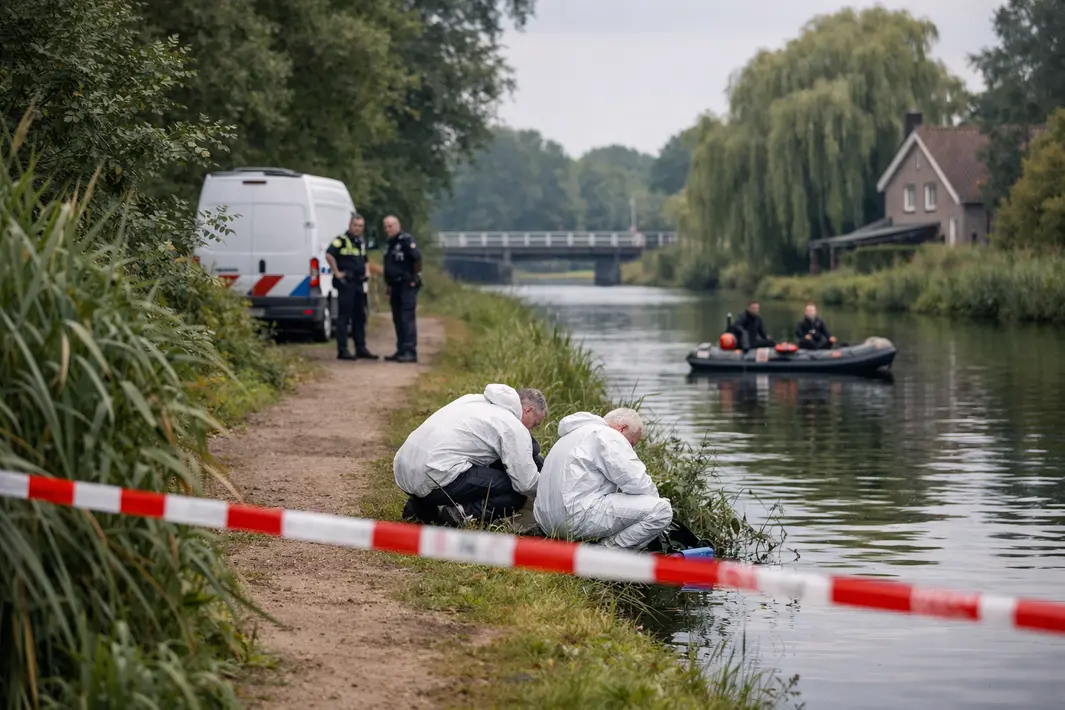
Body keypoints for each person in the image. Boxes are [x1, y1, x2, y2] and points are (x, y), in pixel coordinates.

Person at [395, 385, 547, 525]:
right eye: (535, 424)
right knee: (515, 492)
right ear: (528, 410)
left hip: (404, 468)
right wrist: (548, 489)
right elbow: (525, 483)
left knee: (463, 460)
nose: (530, 430)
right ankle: (462, 513)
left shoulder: (473, 400)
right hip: (434, 474)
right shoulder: (512, 426)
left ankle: (419, 507)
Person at [533, 408, 672, 550]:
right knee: (662, 511)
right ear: (623, 428)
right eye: (631, 443)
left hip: (546, 523)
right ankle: (601, 552)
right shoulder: (608, 435)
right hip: (572, 519)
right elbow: (637, 482)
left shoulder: (572, 435)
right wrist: (657, 505)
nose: (630, 448)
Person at [325, 213, 381, 360]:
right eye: (355, 225)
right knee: (344, 317)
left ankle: (360, 348)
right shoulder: (341, 240)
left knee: (360, 317)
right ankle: (342, 350)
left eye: (360, 226)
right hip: (346, 283)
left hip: (358, 283)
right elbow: (329, 255)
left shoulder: (360, 242)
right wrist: (336, 272)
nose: (358, 228)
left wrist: (367, 271)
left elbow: (365, 259)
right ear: (350, 225)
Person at [382, 215, 422, 363]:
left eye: (390, 226)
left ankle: (410, 351)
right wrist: (388, 285)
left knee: (407, 318)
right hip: (394, 285)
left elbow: (417, 258)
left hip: (406, 285)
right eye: (386, 226)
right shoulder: (390, 243)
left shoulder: (406, 240)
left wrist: (415, 277)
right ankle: (401, 350)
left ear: (398, 225)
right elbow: (389, 266)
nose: (388, 229)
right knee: (397, 318)